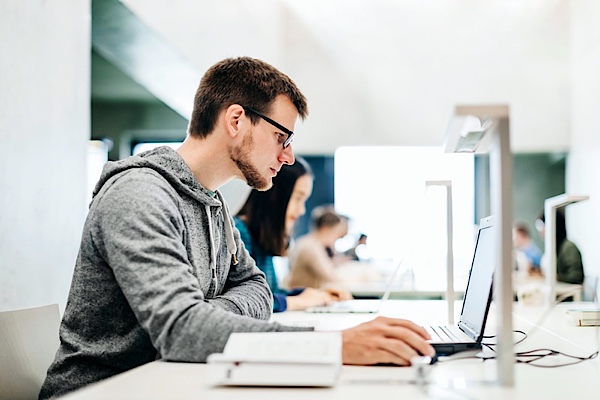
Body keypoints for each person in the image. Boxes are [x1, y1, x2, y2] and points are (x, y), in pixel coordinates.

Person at [40, 57, 434, 399]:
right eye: (281, 136)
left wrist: (208, 314)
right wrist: (332, 344)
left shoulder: (213, 206)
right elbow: (182, 331)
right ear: (235, 119)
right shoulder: (140, 195)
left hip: (173, 382)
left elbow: (259, 290)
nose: (288, 155)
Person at [234, 156, 352, 312]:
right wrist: (299, 301)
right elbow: (246, 300)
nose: (302, 210)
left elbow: (270, 293)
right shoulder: (238, 234)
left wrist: (310, 294)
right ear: (275, 195)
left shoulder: (260, 237)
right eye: (298, 198)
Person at [285, 206, 349, 289]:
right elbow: (331, 276)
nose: (336, 238)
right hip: (302, 296)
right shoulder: (311, 247)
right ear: (325, 229)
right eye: (336, 232)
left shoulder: (308, 242)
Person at [536, 209, 584, 284]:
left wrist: (556, 278)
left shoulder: (568, 247)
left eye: (541, 226)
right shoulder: (554, 247)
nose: (540, 230)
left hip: (569, 293)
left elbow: (576, 277)